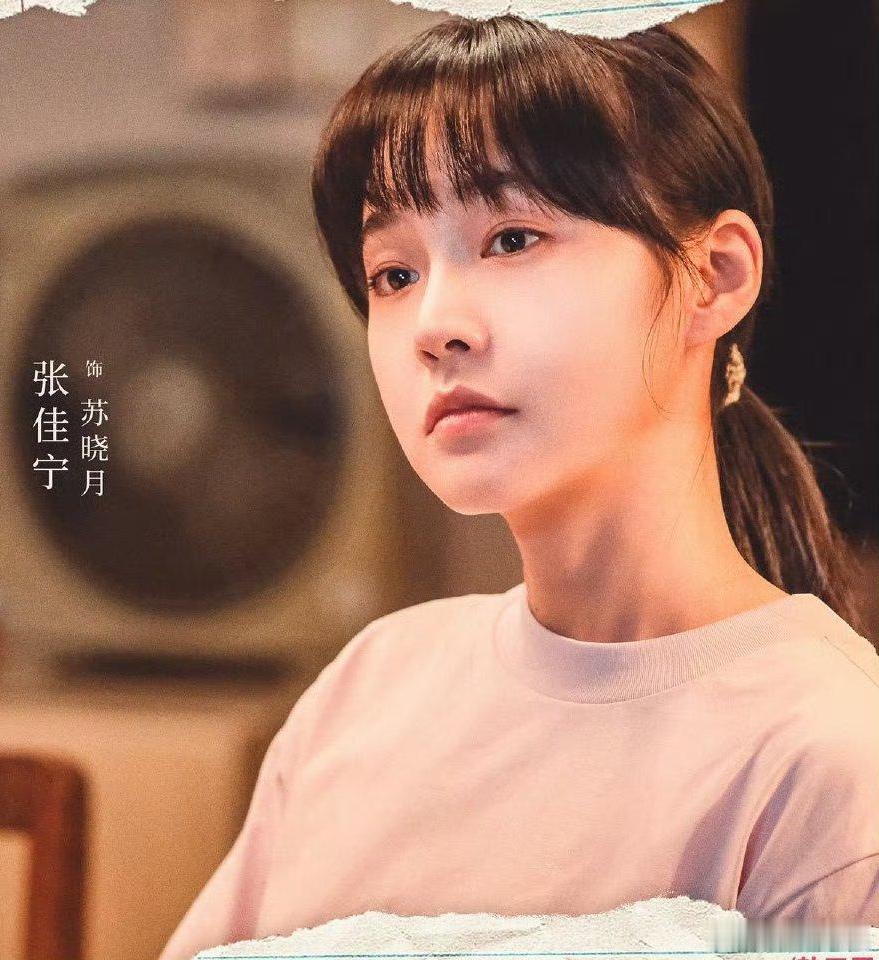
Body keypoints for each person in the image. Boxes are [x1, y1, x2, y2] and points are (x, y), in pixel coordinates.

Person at [158, 16, 879, 959]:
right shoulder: (371, 685)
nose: (435, 325)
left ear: (714, 277)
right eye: (394, 273)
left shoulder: (824, 757)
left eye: (511, 238)